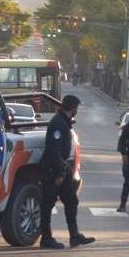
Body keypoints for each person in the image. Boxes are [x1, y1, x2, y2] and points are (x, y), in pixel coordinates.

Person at [39, 94, 95, 249]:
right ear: (72, 108)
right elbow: (53, 150)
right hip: (53, 169)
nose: (77, 111)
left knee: (71, 201)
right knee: (48, 204)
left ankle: (74, 236)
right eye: (76, 108)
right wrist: (58, 174)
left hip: (62, 168)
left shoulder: (64, 122)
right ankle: (46, 238)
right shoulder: (58, 124)